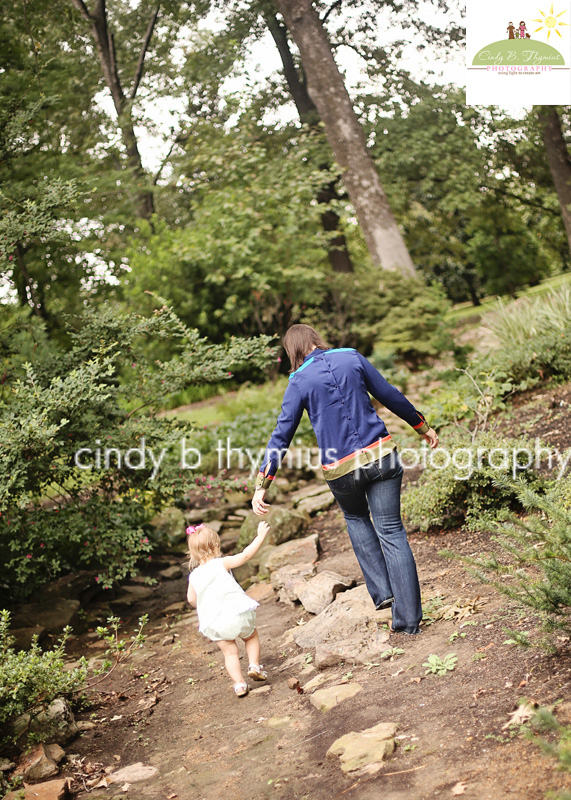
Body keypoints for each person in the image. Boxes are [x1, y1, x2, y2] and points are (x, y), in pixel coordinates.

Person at [251, 324, 439, 635]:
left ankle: (384, 593)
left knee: (355, 517)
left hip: (341, 469)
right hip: (381, 455)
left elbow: (281, 434)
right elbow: (390, 394)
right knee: (391, 530)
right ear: (315, 340)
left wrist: (262, 484)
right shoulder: (351, 356)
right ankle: (408, 622)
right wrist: (422, 426)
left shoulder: (298, 381)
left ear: (293, 351)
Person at [186, 521, 270, 696]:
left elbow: (191, 599)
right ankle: (254, 665)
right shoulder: (221, 563)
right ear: (216, 545)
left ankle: (239, 684)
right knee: (251, 636)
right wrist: (260, 536)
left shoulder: (194, 576)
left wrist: (202, 604)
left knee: (230, 653)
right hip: (236, 613)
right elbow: (245, 556)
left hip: (215, 622)